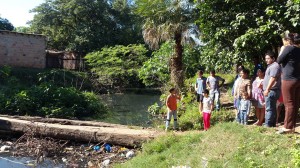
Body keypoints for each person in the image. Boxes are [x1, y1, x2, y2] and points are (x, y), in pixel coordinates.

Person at [277, 32, 300, 134]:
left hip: (288, 80)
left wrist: (281, 50)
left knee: (289, 104)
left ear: (290, 40)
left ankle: (287, 127)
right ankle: (292, 126)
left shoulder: (288, 48)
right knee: (294, 104)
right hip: (298, 80)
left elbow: (278, 60)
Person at [263, 51, 281, 127]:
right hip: (271, 90)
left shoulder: (274, 66)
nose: (266, 60)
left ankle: (267, 125)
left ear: (273, 58)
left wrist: (267, 89)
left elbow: (273, 78)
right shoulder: (271, 66)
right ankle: (272, 125)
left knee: (269, 109)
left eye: (268, 58)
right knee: (272, 108)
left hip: (271, 90)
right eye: (265, 58)